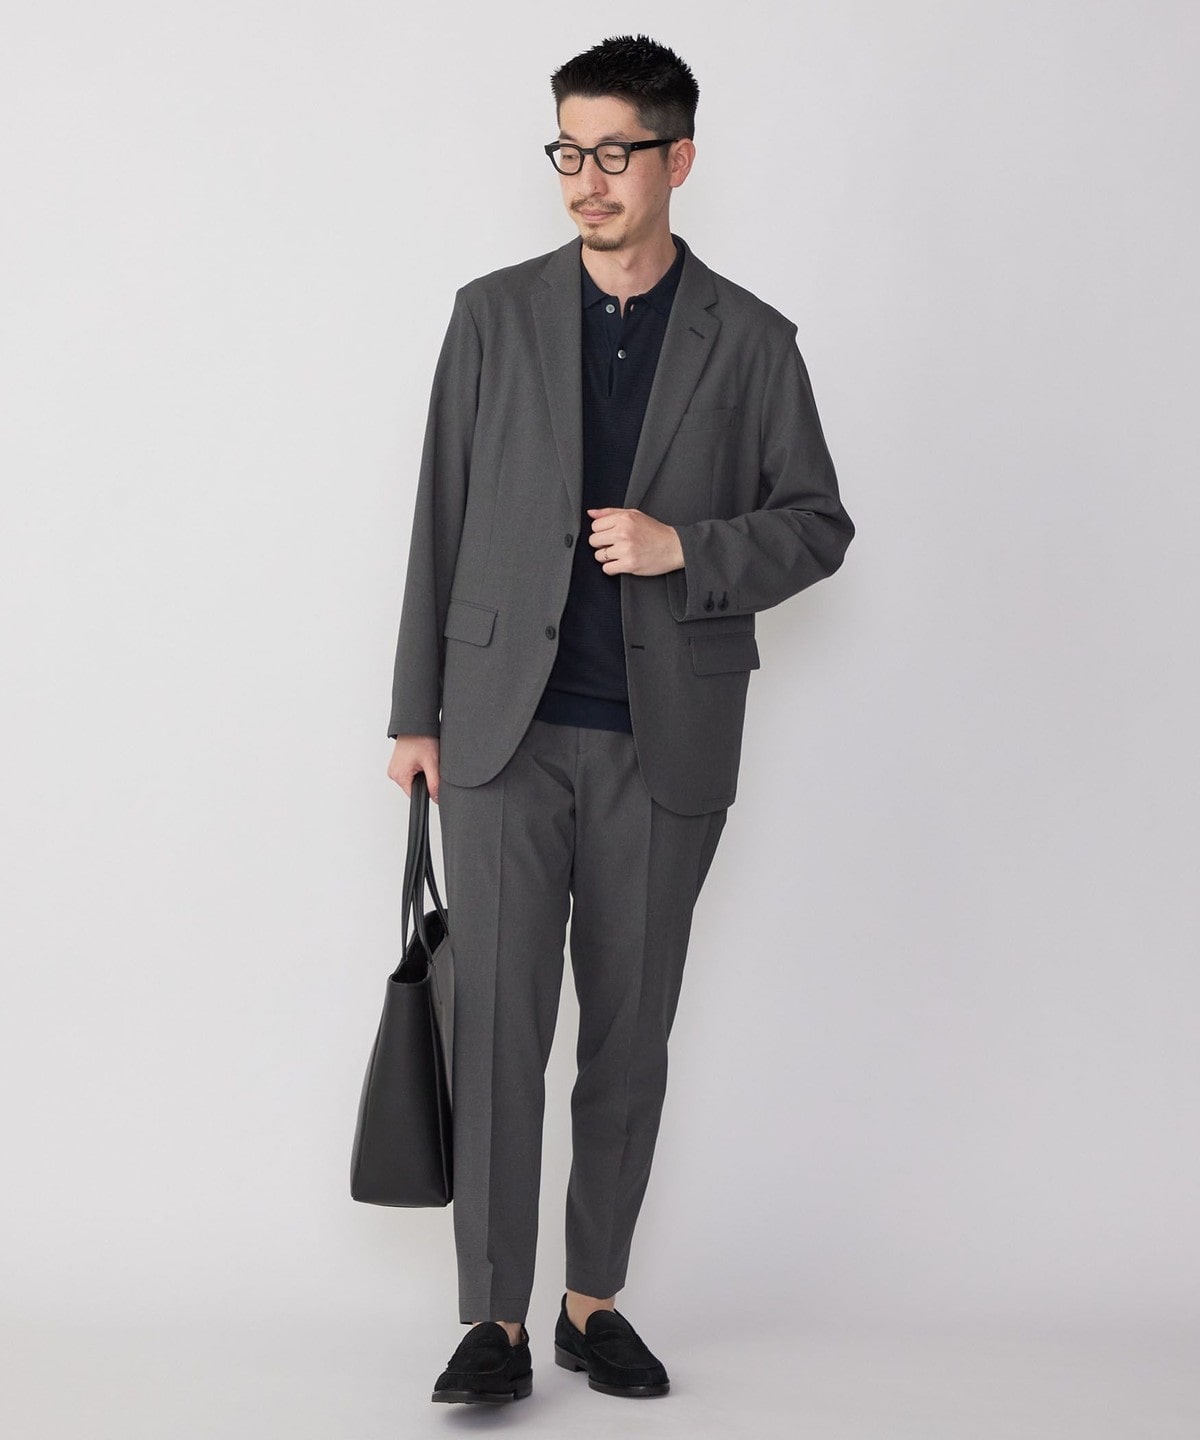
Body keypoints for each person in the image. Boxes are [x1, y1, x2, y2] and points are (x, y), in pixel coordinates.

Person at [385, 33, 854, 1405]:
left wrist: (684, 549)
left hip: (663, 742)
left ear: (678, 160)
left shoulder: (752, 342)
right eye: (569, 151)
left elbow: (818, 524)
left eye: (615, 153)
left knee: (627, 1038)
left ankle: (591, 1304)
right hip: (498, 736)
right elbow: (438, 514)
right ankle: (494, 1321)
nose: (586, 179)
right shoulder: (491, 316)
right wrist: (413, 712)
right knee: (497, 1031)